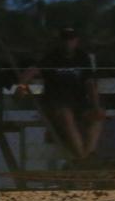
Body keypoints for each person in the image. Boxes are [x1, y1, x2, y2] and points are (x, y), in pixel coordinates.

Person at [19, 27, 104, 162]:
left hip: (79, 102)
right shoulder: (51, 57)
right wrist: (22, 85)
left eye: (71, 39)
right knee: (66, 116)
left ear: (76, 41)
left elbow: (90, 83)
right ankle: (83, 158)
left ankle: (86, 157)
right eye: (65, 39)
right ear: (60, 41)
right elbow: (32, 71)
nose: (68, 42)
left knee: (97, 118)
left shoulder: (83, 57)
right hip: (57, 102)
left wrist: (96, 106)